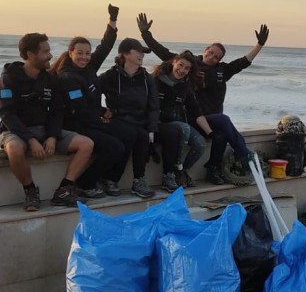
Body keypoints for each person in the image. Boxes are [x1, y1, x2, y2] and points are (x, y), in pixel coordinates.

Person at [0, 33, 94, 211]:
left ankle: (64, 189)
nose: (50, 55)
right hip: (15, 131)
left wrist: (52, 136)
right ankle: (30, 191)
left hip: (44, 130)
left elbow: (57, 110)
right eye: (45, 52)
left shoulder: (50, 79)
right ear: (30, 54)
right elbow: (7, 114)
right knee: (15, 149)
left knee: (86, 144)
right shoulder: (8, 79)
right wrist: (30, 140)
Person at [50, 4, 134, 198]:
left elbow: (105, 47)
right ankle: (85, 183)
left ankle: (110, 179)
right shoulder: (67, 77)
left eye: (87, 53)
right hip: (78, 126)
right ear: (70, 52)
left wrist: (112, 21)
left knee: (130, 133)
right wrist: (102, 115)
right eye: (79, 53)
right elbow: (80, 110)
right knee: (115, 146)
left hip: (94, 120)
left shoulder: (88, 67)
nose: (84, 57)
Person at [99, 37, 184, 197]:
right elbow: (91, 95)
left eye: (142, 52)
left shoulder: (146, 78)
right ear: (125, 53)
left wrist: (152, 127)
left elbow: (153, 106)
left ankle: (169, 176)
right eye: (138, 51)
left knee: (173, 131)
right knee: (138, 135)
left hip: (142, 122)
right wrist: (102, 111)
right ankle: (133, 180)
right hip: (120, 121)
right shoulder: (109, 76)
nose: (142, 55)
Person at [136, 12, 268, 114]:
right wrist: (145, 34)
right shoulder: (190, 62)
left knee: (222, 133)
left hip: (214, 115)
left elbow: (243, 61)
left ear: (219, 61)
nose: (211, 57)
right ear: (205, 50)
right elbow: (163, 52)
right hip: (193, 115)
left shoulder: (223, 70)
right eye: (210, 52)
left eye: (216, 57)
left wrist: (259, 45)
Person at [151, 51, 219, 187]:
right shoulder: (155, 80)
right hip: (158, 124)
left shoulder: (185, 86)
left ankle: (182, 171)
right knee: (184, 128)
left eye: (187, 68)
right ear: (173, 62)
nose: (182, 70)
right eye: (180, 65)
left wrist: (210, 133)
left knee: (200, 144)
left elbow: (196, 111)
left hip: (178, 123)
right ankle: (174, 172)